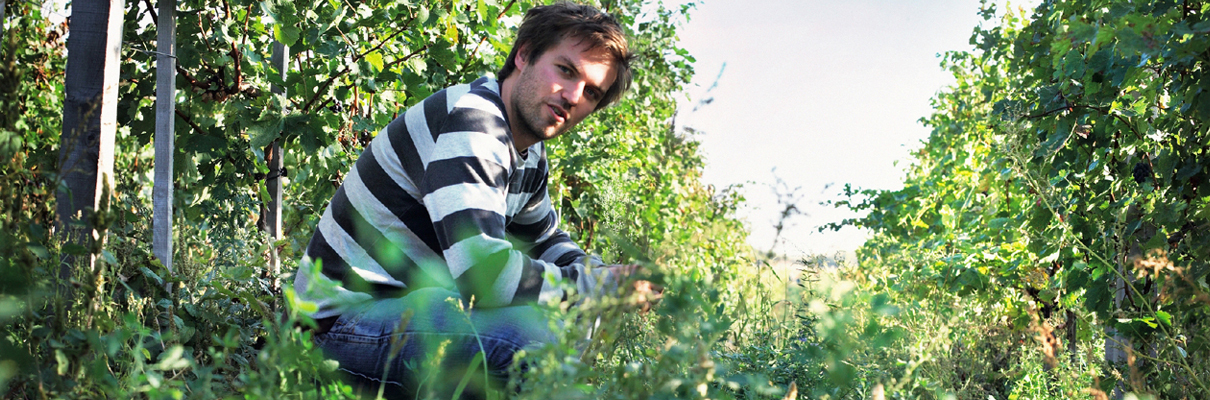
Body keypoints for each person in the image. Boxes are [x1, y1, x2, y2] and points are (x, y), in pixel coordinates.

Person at [290, 2, 657, 398]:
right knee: (527, 336)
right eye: (566, 71)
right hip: (334, 329)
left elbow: (545, 238)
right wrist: (596, 287)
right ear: (524, 54)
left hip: (401, 317)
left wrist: (606, 274)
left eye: (591, 92)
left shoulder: (526, 150)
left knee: (567, 315)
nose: (572, 96)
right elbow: (485, 275)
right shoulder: (475, 122)